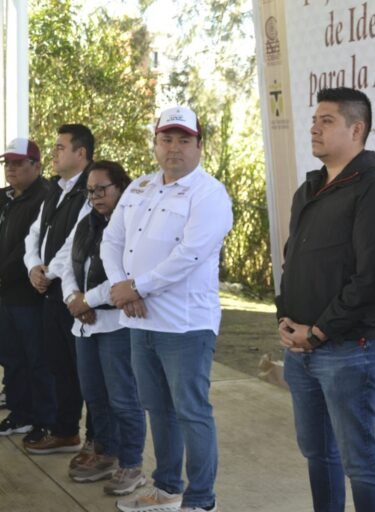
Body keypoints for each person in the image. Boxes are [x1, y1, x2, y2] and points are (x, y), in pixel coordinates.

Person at [276, 87, 375, 512]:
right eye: (315, 119)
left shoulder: (374, 190)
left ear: (357, 128)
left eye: (326, 121)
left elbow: (369, 281)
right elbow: (293, 262)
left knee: (359, 462)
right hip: (301, 350)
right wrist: (286, 319)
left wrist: (319, 331)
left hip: (345, 351)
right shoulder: (309, 188)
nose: (314, 127)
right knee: (317, 453)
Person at [102, 106, 233, 512]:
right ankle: (166, 487)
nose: (174, 148)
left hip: (186, 326)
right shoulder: (139, 187)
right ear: (155, 143)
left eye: (184, 139)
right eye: (167, 138)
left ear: (199, 145)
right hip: (141, 321)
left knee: (192, 412)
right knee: (157, 408)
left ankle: (200, 499)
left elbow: (190, 255)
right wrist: (124, 289)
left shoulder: (209, 193)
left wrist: (136, 287)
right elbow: (111, 242)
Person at [58, 161, 147, 495]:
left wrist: (87, 301)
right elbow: (69, 263)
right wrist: (72, 298)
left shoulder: (132, 224)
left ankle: (131, 463)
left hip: (116, 325)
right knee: (95, 397)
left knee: (124, 399)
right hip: (84, 326)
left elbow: (124, 275)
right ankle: (106, 453)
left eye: (102, 189)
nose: (94, 196)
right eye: (90, 190)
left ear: (120, 187)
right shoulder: (86, 222)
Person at [23, 124, 95, 455]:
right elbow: (34, 233)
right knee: (60, 367)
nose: (54, 153)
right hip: (51, 294)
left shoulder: (91, 189)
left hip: (77, 295)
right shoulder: (56, 189)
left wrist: (47, 271)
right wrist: (33, 267)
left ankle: (99, 441)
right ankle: (66, 432)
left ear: (81, 153)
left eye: (60, 147)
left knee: (89, 374)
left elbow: (75, 241)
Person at [0, 138, 52, 437]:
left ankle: (45, 420)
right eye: (8, 163)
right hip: (7, 294)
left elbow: (28, 248)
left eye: (19, 163)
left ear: (36, 165)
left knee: (37, 360)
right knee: (12, 357)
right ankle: (21, 414)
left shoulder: (44, 197)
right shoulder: (10, 197)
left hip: (29, 294)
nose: (11, 168)